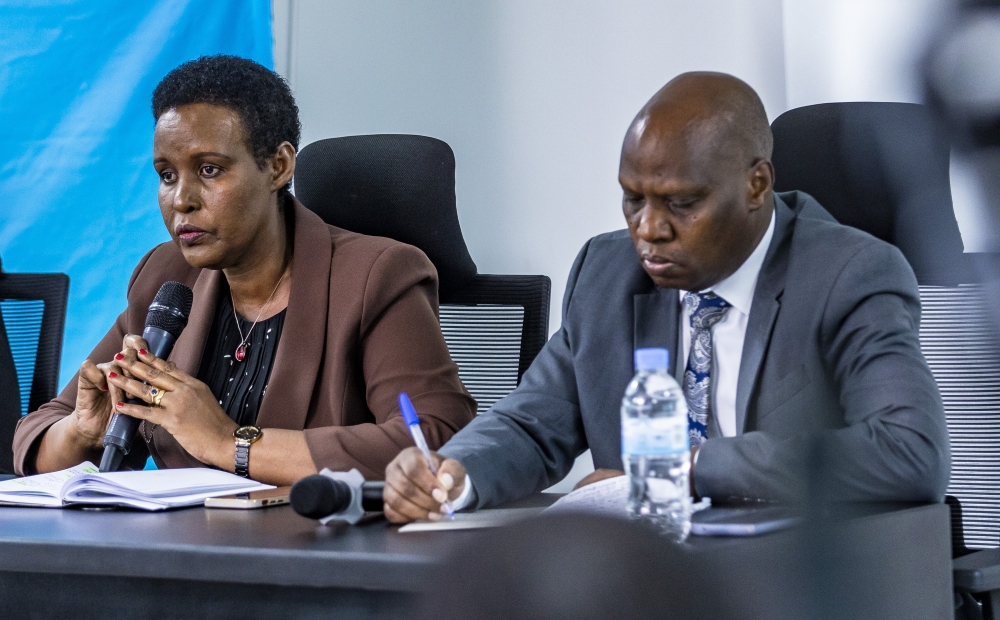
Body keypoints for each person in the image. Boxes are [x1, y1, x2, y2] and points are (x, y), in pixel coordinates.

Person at [383, 72, 951, 522]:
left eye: (681, 203)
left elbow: (908, 451)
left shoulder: (848, 274)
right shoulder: (607, 272)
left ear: (757, 185)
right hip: (647, 580)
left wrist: (681, 471)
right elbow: (534, 423)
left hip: (798, 578)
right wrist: (454, 471)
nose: (648, 229)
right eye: (633, 199)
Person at [12, 56, 476, 485]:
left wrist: (227, 442)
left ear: (278, 166)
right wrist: (82, 430)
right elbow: (33, 435)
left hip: (320, 551)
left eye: (210, 170)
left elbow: (436, 439)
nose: (181, 200)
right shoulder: (166, 276)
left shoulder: (378, 275)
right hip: (183, 551)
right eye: (167, 174)